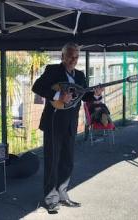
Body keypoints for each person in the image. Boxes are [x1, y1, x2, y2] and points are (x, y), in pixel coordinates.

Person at [32, 42, 99, 213]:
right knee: (52, 162)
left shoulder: (80, 75)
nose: (73, 60)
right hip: (53, 124)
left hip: (70, 124)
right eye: (70, 56)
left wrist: (96, 95)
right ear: (63, 56)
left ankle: (62, 194)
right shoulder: (52, 70)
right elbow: (37, 87)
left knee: (67, 161)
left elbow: (85, 96)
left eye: (76, 57)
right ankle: (50, 198)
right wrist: (58, 95)